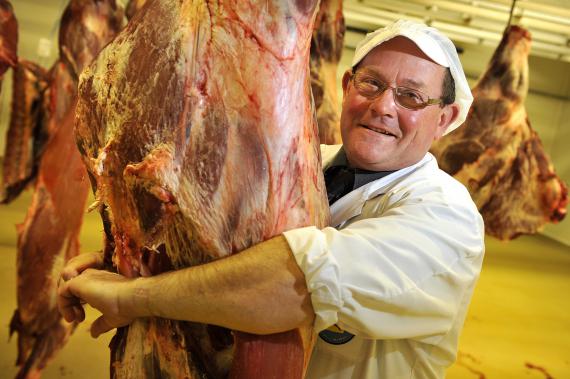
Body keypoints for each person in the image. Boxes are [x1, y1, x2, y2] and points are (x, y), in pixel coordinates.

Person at [58, 19, 484, 378]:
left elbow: (292, 284)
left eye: (411, 96)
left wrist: (131, 297)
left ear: (444, 118)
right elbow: (207, 250)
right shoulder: (296, 161)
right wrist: (122, 264)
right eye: (371, 83)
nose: (383, 107)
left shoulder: (446, 217)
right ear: (346, 85)